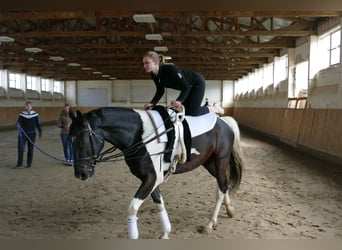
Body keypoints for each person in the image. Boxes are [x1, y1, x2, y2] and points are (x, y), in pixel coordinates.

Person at [142, 51, 209, 116]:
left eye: (147, 63)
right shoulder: (154, 75)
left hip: (197, 83)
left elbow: (186, 87)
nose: (144, 66)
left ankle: (211, 108)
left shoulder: (170, 69)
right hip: (188, 87)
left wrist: (179, 101)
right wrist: (152, 103)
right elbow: (160, 90)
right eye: (144, 63)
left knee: (194, 112)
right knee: (186, 111)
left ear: (155, 63)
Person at [16, 101, 42, 168]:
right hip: (23, 134)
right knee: (20, 148)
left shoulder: (35, 114)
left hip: (32, 134)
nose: (28, 107)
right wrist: (18, 125)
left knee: (31, 149)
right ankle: (19, 163)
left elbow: (38, 124)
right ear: (25, 106)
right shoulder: (22, 114)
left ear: (31, 107)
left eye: (29, 106)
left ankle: (29, 163)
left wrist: (40, 131)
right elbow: (19, 122)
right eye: (26, 106)